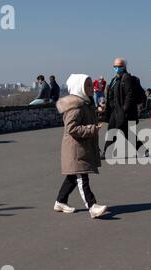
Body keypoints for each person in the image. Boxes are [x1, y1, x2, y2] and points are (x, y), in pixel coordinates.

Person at [54, 74, 108, 219]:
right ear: (79, 88)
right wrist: (92, 129)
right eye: (88, 85)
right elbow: (71, 128)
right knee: (82, 178)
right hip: (75, 150)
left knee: (73, 177)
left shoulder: (85, 103)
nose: (92, 88)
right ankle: (92, 206)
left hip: (80, 148)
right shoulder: (76, 106)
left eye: (91, 85)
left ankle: (60, 201)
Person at [102, 58, 147, 160]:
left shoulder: (125, 78)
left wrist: (124, 109)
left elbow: (129, 95)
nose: (117, 68)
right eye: (115, 66)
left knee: (115, 131)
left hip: (121, 111)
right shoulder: (115, 79)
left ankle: (106, 152)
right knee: (123, 132)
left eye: (119, 66)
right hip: (115, 111)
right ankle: (143, 150)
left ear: (124, 67)